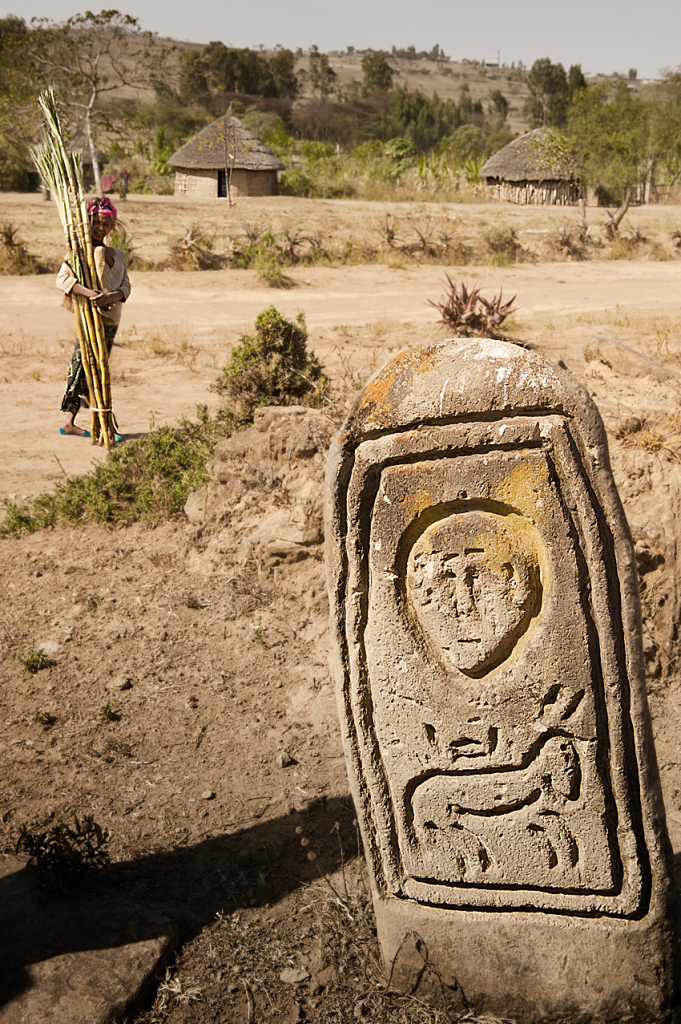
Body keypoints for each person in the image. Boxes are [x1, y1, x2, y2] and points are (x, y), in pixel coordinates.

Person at [56, 197, 131, 437]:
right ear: (88, 223)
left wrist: (111, 297)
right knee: (83, 367)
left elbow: (127, 286)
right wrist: (91, 295)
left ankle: (80, 422)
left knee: (99, 369)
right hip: (89, 319)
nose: (100, 227)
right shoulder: (79, 253)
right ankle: (92, 424)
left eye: (105, 223)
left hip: (111, 321)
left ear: (112, 227)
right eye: (96, 222)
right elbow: (63, 279)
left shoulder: (118, 254)